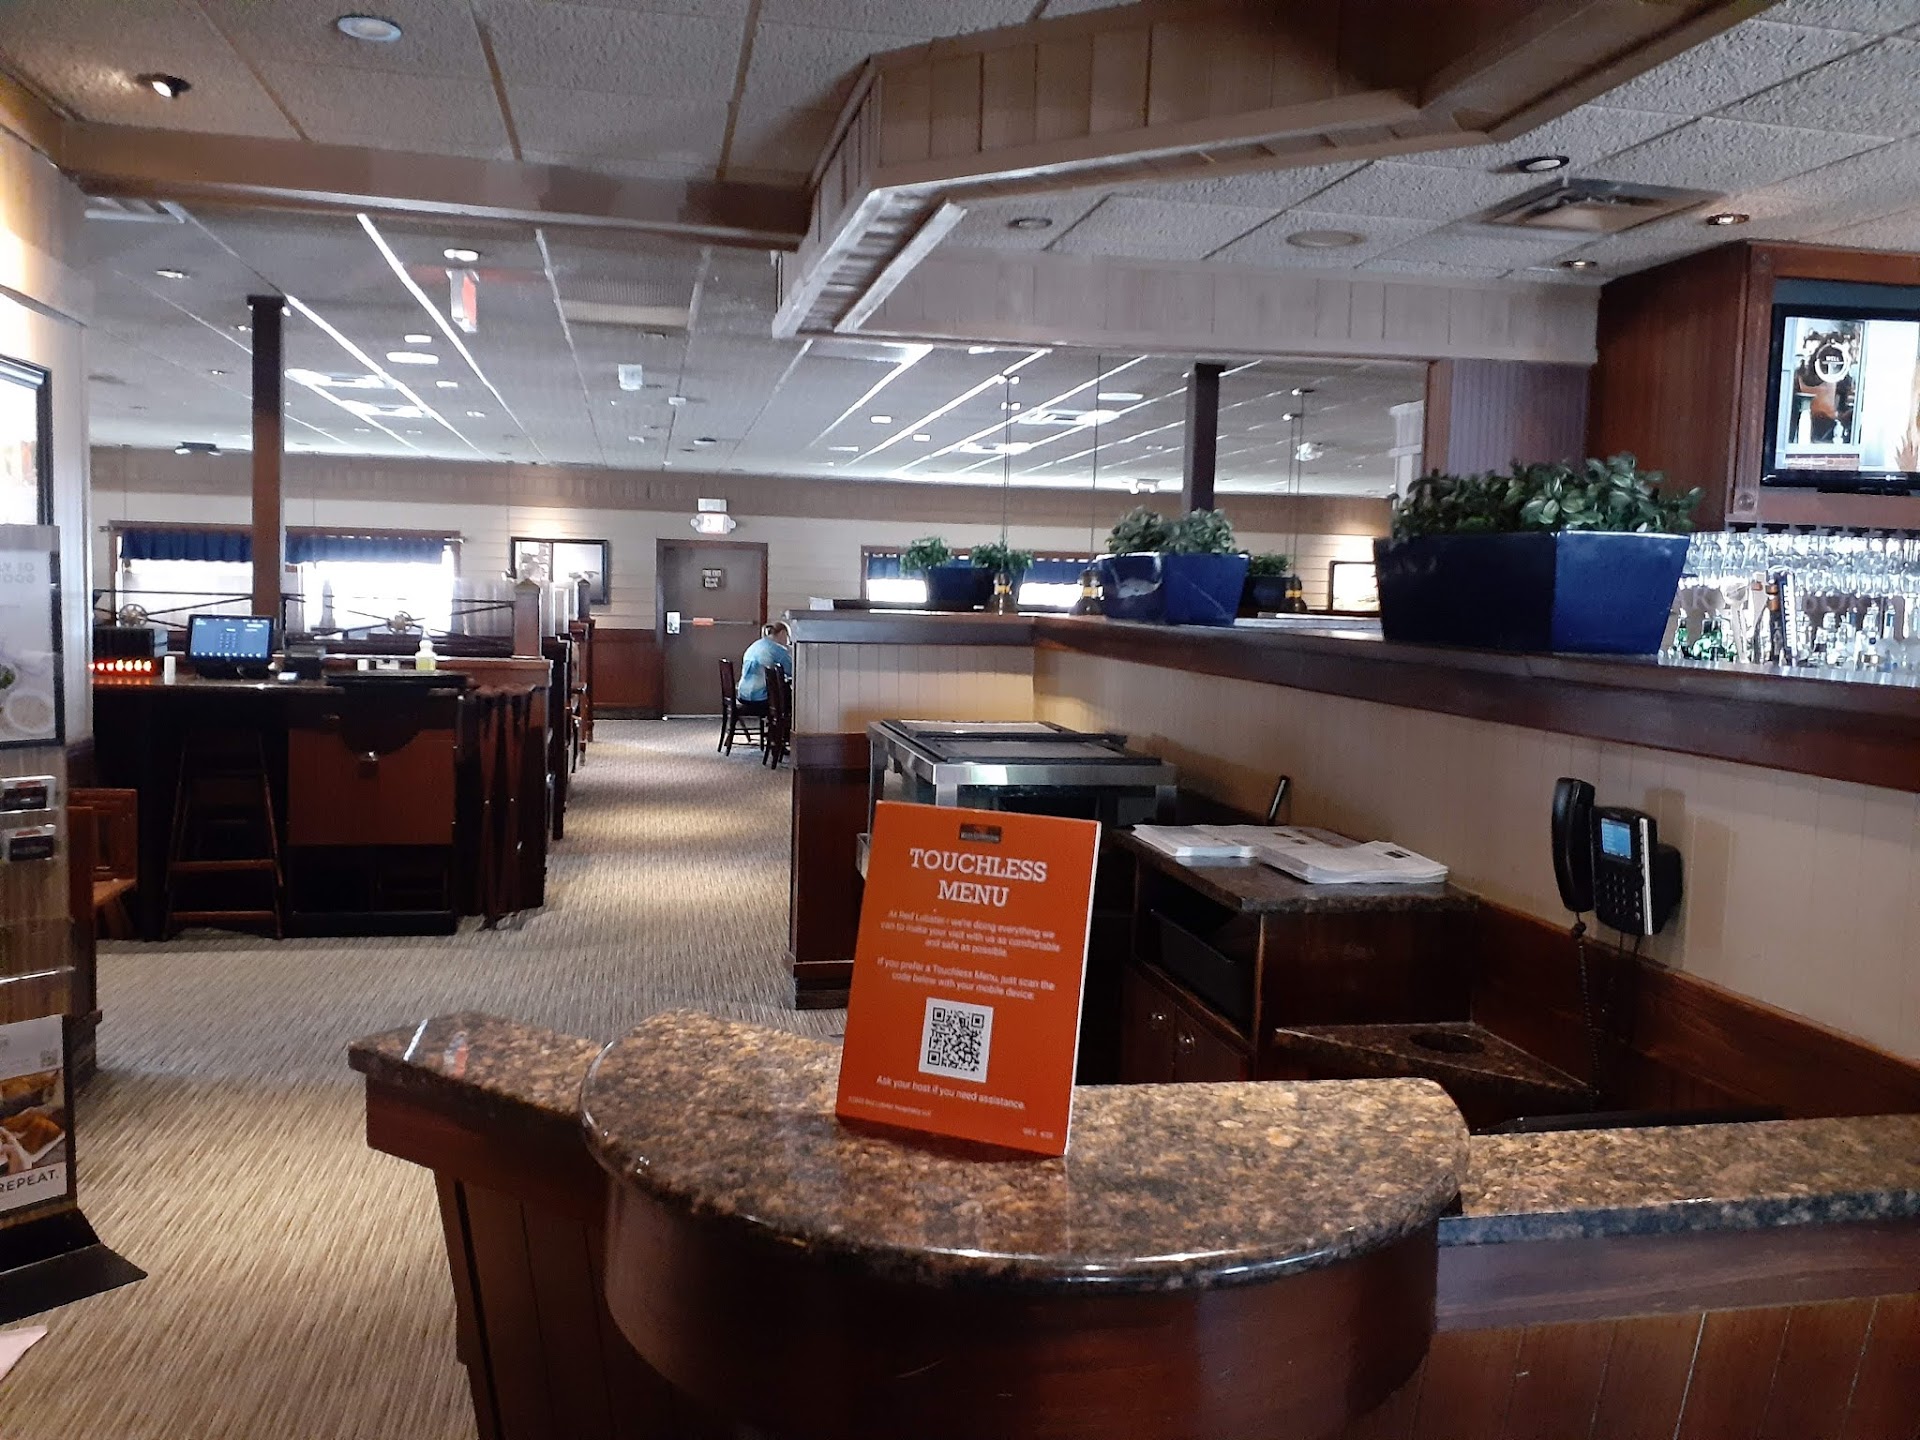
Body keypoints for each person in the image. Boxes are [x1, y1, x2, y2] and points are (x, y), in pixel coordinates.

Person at [736, 621, 791, 714]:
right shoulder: (776, 649)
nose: (788, 641)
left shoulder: (755, 645)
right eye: (788, 637)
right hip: (761, 698)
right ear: (782, 633)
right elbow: (793, 671)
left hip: (743, 694)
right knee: (793, 697)